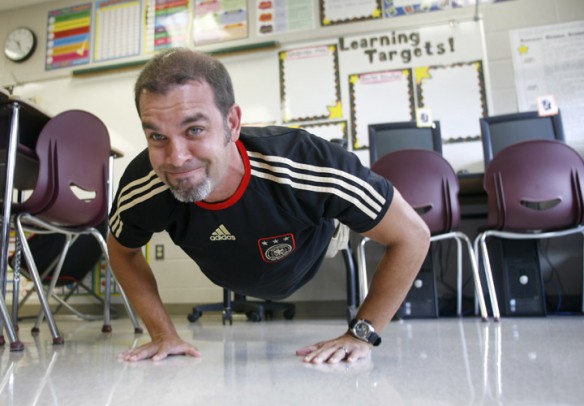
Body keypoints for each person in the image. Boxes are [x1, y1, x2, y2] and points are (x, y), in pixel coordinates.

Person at [107, 48, 430, 365]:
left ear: (232, 123)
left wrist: (362, 335)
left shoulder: (310, 164)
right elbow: (122, 251)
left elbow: (413, 236)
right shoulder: (144, 185)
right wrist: (162, 333)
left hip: (314, 244)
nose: (176, 158)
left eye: (195, 130)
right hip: (231, 269)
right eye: (157, 137)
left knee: (353, 212)